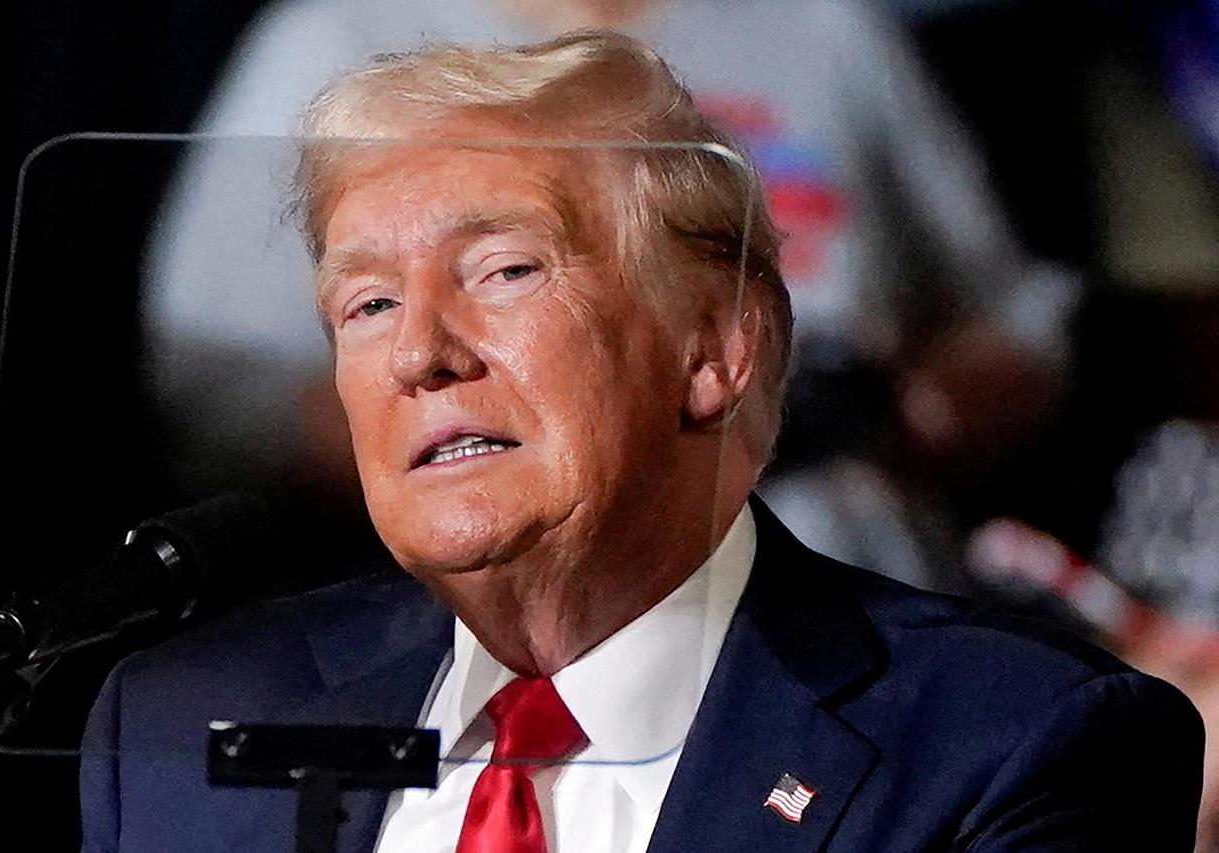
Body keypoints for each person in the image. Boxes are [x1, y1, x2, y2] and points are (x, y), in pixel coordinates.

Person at [82, 33, 1201, 852]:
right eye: (365, 305)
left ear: (712, 348)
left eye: (504, 271)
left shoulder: (1007, 747)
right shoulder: (186, 723)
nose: (418, 353)